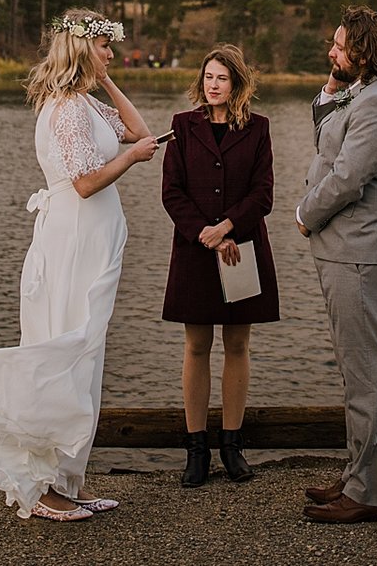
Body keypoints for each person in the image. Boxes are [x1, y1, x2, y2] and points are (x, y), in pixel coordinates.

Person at [0, 9, 159, 522]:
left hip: (91, 242)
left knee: (84, 355)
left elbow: (139, 130)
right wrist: (133, 161)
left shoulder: (84, 101)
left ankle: (67, 483)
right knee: (63, 349)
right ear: (81, 47)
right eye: (104, 46)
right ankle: (42, 487)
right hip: (72, 243)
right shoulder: (65, 109)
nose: (113, 53)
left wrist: (106, 79)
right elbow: (87, 181)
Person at [297, 5, 377, 525]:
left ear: (364, 53)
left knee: (365, 374)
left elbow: (348, 178)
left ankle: (369, 494)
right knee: (355, 371)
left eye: (340, 46)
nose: (331, 51)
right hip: (346, 250)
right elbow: (326, 134)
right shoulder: (362, 93)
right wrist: (333, 79)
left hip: (360, 253)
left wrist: (305, 214)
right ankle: (356, 476)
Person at [161, 44, 279, 487]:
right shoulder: (181, 127)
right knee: (195, 347)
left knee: (236, 346)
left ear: (237, 84)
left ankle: (232, 445)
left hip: (242, 249)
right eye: (209, 77)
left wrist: (227, 226)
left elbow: (263, 194)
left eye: (222, 78)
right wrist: (205, 234)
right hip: (195, 251)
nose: (213, 85)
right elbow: (172, 192)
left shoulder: (259, 129)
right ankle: (196, 450)